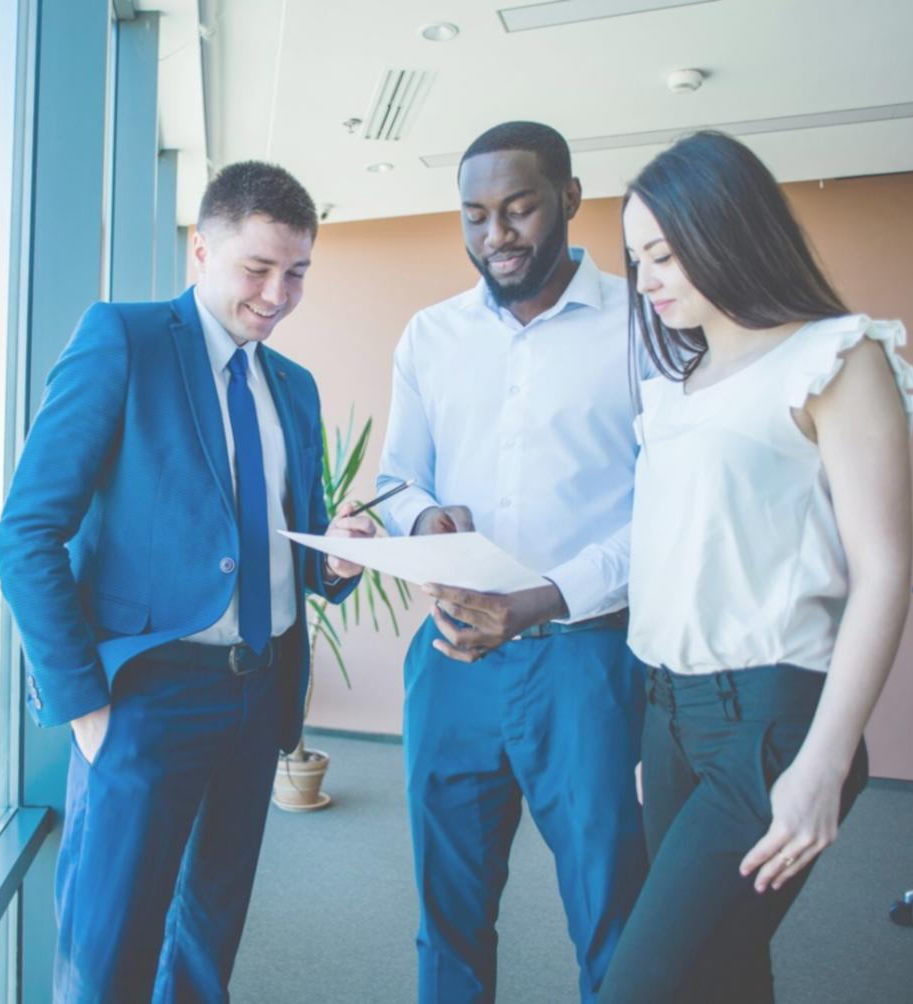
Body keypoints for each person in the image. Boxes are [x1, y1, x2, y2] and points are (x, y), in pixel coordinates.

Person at [0, 161, 372, 1003]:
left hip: (259, 690)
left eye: (297, 273)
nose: (277, 295)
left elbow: (290, 540)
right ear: (201, 250)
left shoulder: (293, 386)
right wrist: (84, 705)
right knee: (108, 954)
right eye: (257, 268)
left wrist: (336, 556)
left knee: (208, 940)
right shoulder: (123, 340)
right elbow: (26, 534)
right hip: (147, 696)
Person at [599, 130, 913, 1003]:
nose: (646, 279)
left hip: (771, 726)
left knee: (646, 986)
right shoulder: (678, 387)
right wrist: (661, 732)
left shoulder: (834, 357)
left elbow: (882, 573)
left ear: (727, 230)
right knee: (725, 975)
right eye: (636, 260)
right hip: (670, 716)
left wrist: (823, 762)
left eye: (664, 254)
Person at [376, 121, 649, 1003]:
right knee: (447, 911)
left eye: (518, 208)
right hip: (452, 656)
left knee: (611, 910)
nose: (494, 234)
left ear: (568, 199)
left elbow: (666, 510)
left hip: (588, 660)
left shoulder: (642, 324)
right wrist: (422, 517)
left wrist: (545, 598)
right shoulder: (430, 335)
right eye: (474, 215)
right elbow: (394, 479)